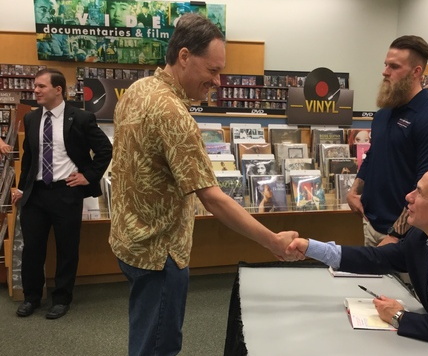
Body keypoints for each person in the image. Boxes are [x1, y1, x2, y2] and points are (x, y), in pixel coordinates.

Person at [109, 13, 302, 356]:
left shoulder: (138, 90)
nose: (218, 81)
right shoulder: (173, 114)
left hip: (130, 241)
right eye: (212, 70)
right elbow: (212, 197)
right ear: (184, 57)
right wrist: (272, 241)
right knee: (158, 345)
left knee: (144, 332)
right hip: (160, 253)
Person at [290, 164, 428, 354]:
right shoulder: (422, 235)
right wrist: (310, 247)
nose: (409, 197)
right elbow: (377, 258)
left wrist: (399, 316)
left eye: (420, 192)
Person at [12, 69, 112, 319]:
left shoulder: (81, 118)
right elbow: (29, 157)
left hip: (65, 193)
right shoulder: (32, 119)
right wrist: (22, 189)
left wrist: (87, 175)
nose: (35, 90)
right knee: (32, 248)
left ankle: (62, 298)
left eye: (41, 86)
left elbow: (104, 150)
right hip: (35, 195)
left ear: (58, 90)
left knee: (68, 249)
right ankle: (31, 297)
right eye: (35, 86)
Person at [346, 35, 428, 247]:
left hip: (406, 237)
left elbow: (426, 187)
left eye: (394, 67)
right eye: (386, 64)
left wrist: (396, 234)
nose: (385, 72)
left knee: (402, 282)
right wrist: (353, 191)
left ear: (416, 72)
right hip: (372, 225)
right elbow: (373, 156)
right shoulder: (384, 112)